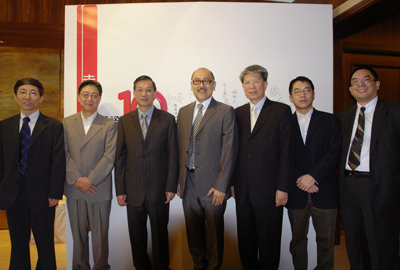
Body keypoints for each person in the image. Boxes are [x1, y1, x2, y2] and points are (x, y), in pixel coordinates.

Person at [231, 64, 294, 270]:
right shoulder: (237, 113)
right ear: (242, 86)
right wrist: (232, 182)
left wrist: (283, 187)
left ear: (265, 84)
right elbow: (232, 151)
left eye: (256, 81)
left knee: (269, 246)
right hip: (242, 191)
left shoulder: (280, 111)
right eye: (247, 83)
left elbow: (287, 152)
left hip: (270, 192)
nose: (252, 86)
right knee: (246, 246)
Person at [337, 66, 400, 270]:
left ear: (377, 84)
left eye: (366, 79)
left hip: (381, 187)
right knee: (354, 243)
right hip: (348, 187)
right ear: (350, 89)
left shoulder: (394, 112)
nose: (360, 84)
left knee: (381, 245)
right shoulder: (343, 117)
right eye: (355, 81)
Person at [0, 78, 66, 270]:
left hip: (43, 196)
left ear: (41, 97)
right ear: (15, 96)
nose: (27, 96)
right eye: (23, 92)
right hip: (13, 194)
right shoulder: (4, 126)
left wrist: (55, 192)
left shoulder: (53, 126)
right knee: (18, 244)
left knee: (45, 245)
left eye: (33, 92)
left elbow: (58, 162)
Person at [115, 75, 178, 270]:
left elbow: (173, 155)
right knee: (137, 238)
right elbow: (120, 157)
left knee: (160, 236)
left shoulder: (167, 119)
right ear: (134, 93)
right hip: (132, 190)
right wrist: (120, 189)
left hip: (159, 190)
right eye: (140, 90)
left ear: (154, 94)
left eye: (148, 90)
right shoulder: (125, 121)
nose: (144, 94)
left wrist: (170, 186)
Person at [177, 67, 237, 270]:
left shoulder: (225, 111)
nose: (201, 85)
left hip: (214, 185)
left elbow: (229, 151)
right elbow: (180, 148)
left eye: (206, 81)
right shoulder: (184, 111)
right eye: (197, 81)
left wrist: (222, 185)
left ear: (214, 85)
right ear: (191, 85)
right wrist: (179, 180)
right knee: (193, 235)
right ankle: (198, 267)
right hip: (189, 183)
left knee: (214, 236)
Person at [285, 76, 341, 270]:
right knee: (298, 241)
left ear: (314, 94)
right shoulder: (283, 124)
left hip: (324, 190)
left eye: (307, 90)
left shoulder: (330, 120)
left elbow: (334, 154)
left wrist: (313, 176)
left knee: (326, 242)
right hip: (296, 192)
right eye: (297, 91)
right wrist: (299, 180)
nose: (303, 94)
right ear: (290, 97)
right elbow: (281, 158)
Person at [63, 80, 117, 270]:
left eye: (94, 95)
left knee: (100, 235)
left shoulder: (110, 125)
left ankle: (101, 267)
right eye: (85, 94)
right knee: (77, 235)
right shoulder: (68, 122)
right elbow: (65, 153)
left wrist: (90, 180)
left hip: (99, 188)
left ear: (99, 98)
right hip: (74, 187)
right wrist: (78, 179)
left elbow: (109, 157)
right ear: (78, 97)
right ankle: (80, 267)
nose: (89, 98)